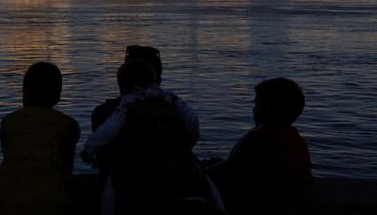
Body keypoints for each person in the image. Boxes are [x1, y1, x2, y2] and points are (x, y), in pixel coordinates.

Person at [85, 46, 214, 214]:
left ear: (122, 82)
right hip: (175, 179)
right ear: (157, 78)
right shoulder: (175, 108)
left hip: (129, 186)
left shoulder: (104, 113)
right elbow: (192, 130)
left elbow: (102, 155)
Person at [208, 78, 315, 215]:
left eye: (256, 103)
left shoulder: (258, 138)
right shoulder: (295, 139)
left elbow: (229, 173)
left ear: (266, 107)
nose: (253, 108)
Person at [0, 62, 81, 215]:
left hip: (3, 201)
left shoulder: (8, 121)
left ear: (25, 92)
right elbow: (66, 169)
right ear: (58, 95)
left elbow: (10, 156)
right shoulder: (67, 124)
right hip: (51, 202)